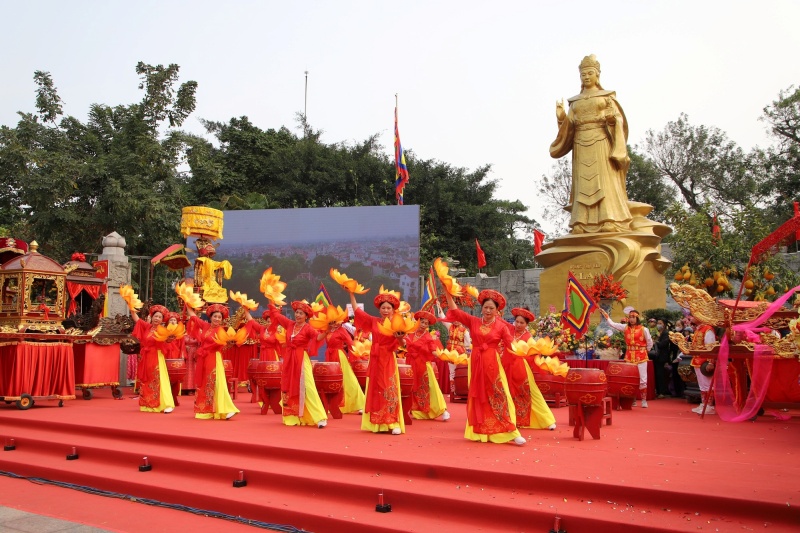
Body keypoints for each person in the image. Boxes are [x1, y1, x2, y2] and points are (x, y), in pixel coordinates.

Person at [550, 54, 633, 234]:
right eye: (583, 75)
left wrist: (612, 121)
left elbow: (619, 120)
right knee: (583, 184)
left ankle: (608, 218)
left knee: (604, 182)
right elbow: (568, 128)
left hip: (601, 143)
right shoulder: (576, 102)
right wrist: (562, 117)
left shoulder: (607, 96)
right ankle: (580, 222)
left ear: (597, 75)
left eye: (589, 73)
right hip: (580, 144)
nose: (586, 77)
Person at [445, 289, 525, 445]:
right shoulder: (473, 321)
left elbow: (511, 345)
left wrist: (528, 352)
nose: (488, 311)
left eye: (492, 308)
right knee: (478, 395)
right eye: (486, 307)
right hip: (476, 362)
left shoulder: (501, 326)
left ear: (497, 311)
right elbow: (456, 311)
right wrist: (448, 294)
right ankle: (481, 430)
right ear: (481, 307)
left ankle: (511, 430)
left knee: (498, 393)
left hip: (492, 363)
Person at [349, 288, 405, 435]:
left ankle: (392, 422)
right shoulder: (374, 321)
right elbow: (358, 312)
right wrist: (351, 294)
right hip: (375, 359)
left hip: (387, 359)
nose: (385, 310)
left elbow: (404, 344)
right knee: (376, 389)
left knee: (388, 388)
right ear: (379, 309)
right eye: (383, 308)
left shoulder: (397, 323)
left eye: (388, 308)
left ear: (393, 310)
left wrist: (399, 338)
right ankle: (377, 423)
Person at [264, 301, 328, 428]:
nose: (298, 315)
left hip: (301, 359)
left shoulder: (308, 328)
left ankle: (319, 417)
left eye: (301, 313)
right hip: (289, 359)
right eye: (296, 313)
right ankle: (291, 417)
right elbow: (277, 316)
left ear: (306, 316)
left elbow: (318, 338)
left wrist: (327, 330)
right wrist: (271, 299)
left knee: (308, 387)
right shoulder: (289, 324)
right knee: (289, 385)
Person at [502, 307, 556, 430]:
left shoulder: (528, 338)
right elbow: (500, 321)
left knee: (532, 394)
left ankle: (547, 420)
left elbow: (534, 355)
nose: (519, 325)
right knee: (508, 393)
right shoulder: (509, 330)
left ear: (527, 324)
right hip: (507, 366)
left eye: (522, 323)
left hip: (522, 369)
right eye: (517, 322)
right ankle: (511, 419)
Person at [185, 304, 240, 420]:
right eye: (215, 316)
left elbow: (224, 345)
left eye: (219, 317)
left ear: (222, 319)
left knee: (215, 382)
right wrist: (187, 303)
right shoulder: (205, 326)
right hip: (203, 358)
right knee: (204, 382)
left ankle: (226, 409)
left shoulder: (221, 331)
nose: (217, 319)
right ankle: (204, 410)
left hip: (214, 358)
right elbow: (194, 317)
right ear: (210, 317)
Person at [599, 307, 653, 407]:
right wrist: (605, 315)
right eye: (630, 317)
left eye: (633, 317)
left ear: (637, 318)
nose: (631, 319)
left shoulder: (643, 329)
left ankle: (644, 400)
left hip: (641, 356)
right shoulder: (625, 327)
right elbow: (613, 324)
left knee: (642, 378)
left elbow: (649, 342)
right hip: (629, 355)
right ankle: (632, 399)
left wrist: (645, 351)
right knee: (630, 379)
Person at [404, 310, 450, 421]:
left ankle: (443, 410)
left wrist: (443, 356)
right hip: (411, 364)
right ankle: (418, 411)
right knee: (413, 388)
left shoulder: (428, 337)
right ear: (417, 321)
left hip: (423, 365)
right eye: (422, 322)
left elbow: (433, 350)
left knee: (431, 388)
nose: (423, 325)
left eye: (426, 323)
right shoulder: (410, 333)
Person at [314, 315, 365, 414]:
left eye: (335, 321)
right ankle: (333, 404)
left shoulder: (342, 330)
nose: (333, 324)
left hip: (339, 356)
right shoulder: (328, 330)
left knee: (348, 379)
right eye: (331, 322)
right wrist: (326, 331)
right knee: (332, 381)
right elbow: (318, 339)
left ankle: (360, 403)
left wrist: (357, 354)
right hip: (329, 356)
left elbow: (351, 343)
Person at [130, 304, 176, 413]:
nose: (157, 318)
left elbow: (167, 342)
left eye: (160, 317)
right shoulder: (147, 327)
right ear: (151, 317)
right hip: (146, 357)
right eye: (155, 316)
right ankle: (148, 404)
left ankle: (166, 404)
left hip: (156, 357)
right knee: (147, 380)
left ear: (162, 320)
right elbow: (136, 318)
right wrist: (130, 305)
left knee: (158, 380)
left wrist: (169, 340)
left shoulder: (163, 330)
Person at [436, 304, 471, 396]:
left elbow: (468, 345)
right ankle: (453, 392)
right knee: (451, 372)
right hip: (451, 353)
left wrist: (468, 355)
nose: (455, 321)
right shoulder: (450, 327)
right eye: (454, 318)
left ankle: (460, 389)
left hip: (460, 354)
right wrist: (439, 307)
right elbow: (443, 319)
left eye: (458, 319)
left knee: (459, 372)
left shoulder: (465, 331)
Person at [686, 316, 716, 415]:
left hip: (704, 362)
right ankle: (704, 404)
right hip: (697, 360)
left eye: (694, 316)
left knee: (708, 385)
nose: (691, 318)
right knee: (702, 386)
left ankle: (710, 405)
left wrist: (711, 362)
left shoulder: (708, 329)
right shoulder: (699, 329)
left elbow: (711, 347)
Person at [653, 318, 671, 398]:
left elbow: (663, 344)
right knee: (657, 374)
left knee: (661, 374)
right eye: (658, 323)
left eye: (660, 323)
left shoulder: (666, 333)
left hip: (662, 357)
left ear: (664, 324)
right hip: (657, 357)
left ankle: (662, 392)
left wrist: (656, 342)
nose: (658, 324)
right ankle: (658, 390)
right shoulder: (658, 333)